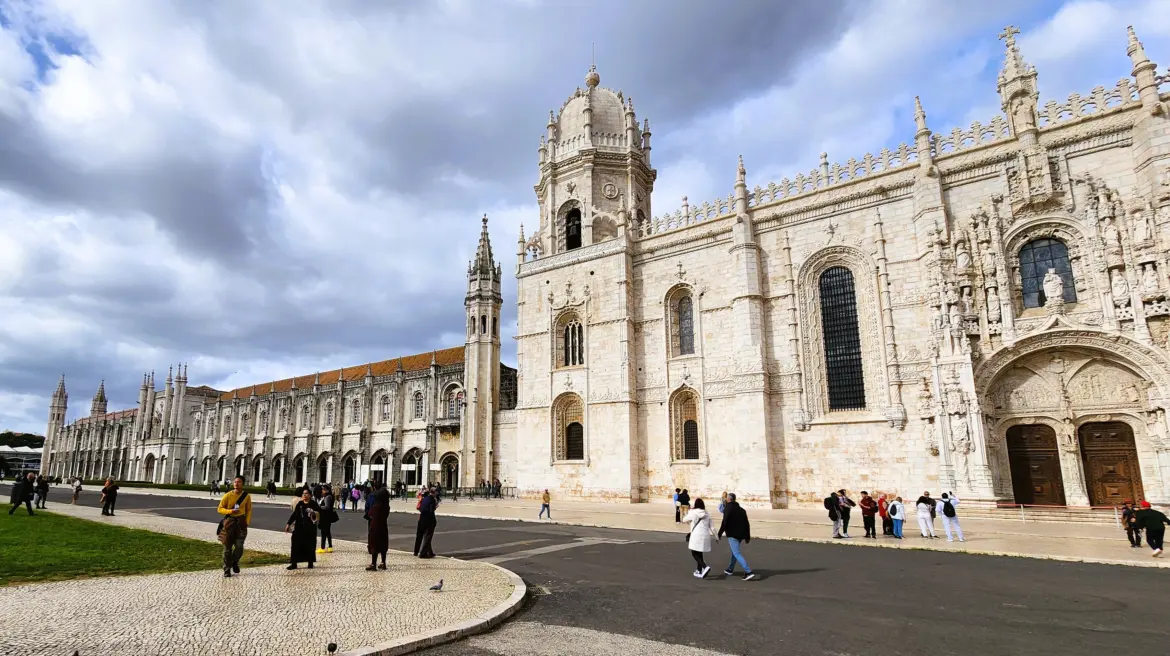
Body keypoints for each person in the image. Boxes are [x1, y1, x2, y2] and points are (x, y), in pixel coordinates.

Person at [217, 476, 253, 578]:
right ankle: (227, 568)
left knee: (239, 547)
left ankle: (235, 561)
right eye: (235, 482)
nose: (236, 484)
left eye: (239, 482)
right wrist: (230, 511)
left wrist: (247, 521)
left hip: (241, 523)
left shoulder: (246, 496)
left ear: (243, 484)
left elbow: (249, 509)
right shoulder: (228, 495)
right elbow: (219, 509)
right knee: (227, 548)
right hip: (229, 522)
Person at [717, 493, 755, 580]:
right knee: (735, 551)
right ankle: (730, 569)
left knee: (736, 553)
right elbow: (746, 524)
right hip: (741, 534)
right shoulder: (742, 510)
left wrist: (719, 533)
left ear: (729, 499)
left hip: (732, 534)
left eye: (726, 498)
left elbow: (725, 521)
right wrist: (747, 536)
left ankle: (748, 571)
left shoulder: (728, 508)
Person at [285, 488, 321, 569]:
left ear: (310, 495)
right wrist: (288, 524)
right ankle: (294, 563)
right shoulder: (300, 504)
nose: (304, 495)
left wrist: (313, 512)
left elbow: (319, 514)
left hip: (310, 529)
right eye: (303, 494)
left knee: (310, 545)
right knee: (295, 544)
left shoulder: (313, 504)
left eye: (306, 493)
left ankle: (310, 562)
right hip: (299, 528)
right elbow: (294, 515)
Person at [684, 498, 716, 578]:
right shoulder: (707, 513)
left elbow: (684, 520)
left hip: (696, 535)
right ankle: (699, 570)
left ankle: (705, 567)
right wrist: (717, 537)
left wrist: (689, 511)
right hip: (705, 535)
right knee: (699, 552)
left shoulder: (693, 512)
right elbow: (712, 527)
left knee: (694, 553)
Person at [364, 482, 391, 571]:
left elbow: (369, 514)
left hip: (375, 527)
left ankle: (373, 564)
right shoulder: (386, 506)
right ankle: (383, 562)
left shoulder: (376, 506)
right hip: (383, 526)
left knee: (374, 544)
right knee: (383, 544)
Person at [414, 487, 438, 559]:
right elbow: (431, 509)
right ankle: (423, 553)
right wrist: (435, 507)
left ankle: (417, 551)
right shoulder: (432, 500)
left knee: (420, 536)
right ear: (434, 493)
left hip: (421, 519)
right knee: (428, 537)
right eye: (436, 492)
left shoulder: (424, 498)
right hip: (429, 520)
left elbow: (421, 508)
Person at [318, 485, 336, 554]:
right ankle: (330, 547)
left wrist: (319, 507)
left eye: (323, 489)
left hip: (325, 517)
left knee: (324, 532)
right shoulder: (329, 496)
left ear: (326, 490)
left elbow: (327, 507)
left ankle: (322, 547)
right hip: (327, 517)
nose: (322, 491)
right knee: (327, 532)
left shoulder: (327, 497)